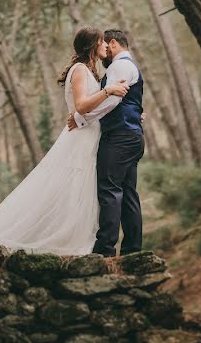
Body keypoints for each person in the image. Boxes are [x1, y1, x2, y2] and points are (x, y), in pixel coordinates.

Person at [0, 26, 128, 255]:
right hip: (80, 139)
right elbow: (81, 105)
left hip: (90, 136)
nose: (105, 45)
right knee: (72, 186)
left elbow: (94, 108)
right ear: (92, 45)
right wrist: (108, 91)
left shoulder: (91, 71)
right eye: (102, 41)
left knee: (83, 189)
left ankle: (80, 237)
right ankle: (65, 239)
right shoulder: (80, 69)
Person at [69, 29, 144, 257]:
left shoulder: (119, 66)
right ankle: (132, 249)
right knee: (128, 193)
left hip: (120, 137)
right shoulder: (127, 66)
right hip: (131, 135)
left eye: (105, 44)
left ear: (112, 44)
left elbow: (111, 102)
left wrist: (81, 118)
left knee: (110, 190)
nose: (104, 49)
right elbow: (126, 100)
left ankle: (105, 249)